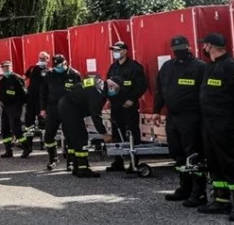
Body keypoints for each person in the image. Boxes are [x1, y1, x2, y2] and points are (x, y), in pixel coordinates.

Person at [197, 33, 234, 222]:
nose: (203, 48)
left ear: (210, 46)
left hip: (226, 124)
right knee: (214, 161)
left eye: (204, 45)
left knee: (230, 161)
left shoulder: (232, 67)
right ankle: (221, 199)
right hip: (210, 124)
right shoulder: (210, 67)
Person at [153, 36, 208, 206]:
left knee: (193, 154)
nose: (179, 52)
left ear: (189, 47)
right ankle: (184, 187)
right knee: (177, 153)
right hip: (172, 117)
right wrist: (156, 110)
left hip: (191, 117)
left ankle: (199, 192)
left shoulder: (200, 67)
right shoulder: (168, 66)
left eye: (182, 48)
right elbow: (160, 89)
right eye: (176, 49)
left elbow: (205, 94)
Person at [105, 41, 148, 171]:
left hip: (129, 106)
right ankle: (118, 161)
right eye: (113, 50)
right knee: (117, 131)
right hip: (116, 106)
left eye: (117, 50)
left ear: (125, 51)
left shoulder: (134, 67)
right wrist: (108, 99)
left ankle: (134, 161)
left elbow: (141, 85)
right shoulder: (113, 67)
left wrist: (132, 99)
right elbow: (108, 84)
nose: (115, 52)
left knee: (131, 132)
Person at [58, 75, 111, 178]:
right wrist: (104, 133)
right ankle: (83, 169)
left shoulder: (97, 83)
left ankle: (77, 166)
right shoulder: (98, 92)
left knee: (73, 137)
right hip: (71, 108)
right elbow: (95, 115)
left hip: (65, 104)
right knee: (81, 137)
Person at [40, 54, 81, 171]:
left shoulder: (74, 74)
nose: (57, 67)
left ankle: (71, 161)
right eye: (55, 65)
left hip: (69, 109)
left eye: (59, 65)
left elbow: (80, 93)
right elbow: (43, 93)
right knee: (48, 136)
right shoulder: (49, 75)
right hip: (53, 108)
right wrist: (42, 108)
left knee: (70, 136)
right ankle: (53, 158)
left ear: (65, 63)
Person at [16, 51, 50, 158]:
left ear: (48, 59)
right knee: (29, 125)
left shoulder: (49, 71)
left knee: (44, 124)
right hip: (31, 100)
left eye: (44, 58)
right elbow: (23, 79)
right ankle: (28, 147)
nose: (42, 60)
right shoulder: (32, 68)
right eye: (40, 58)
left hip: (42, 102)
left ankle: (46, 146)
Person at [0, 60, 27, 158]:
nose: (6, 69)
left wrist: (18, 105)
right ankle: (8, 150)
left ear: (11, 67)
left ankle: (26, 147)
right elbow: (0, 93)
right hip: (5, 107)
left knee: (16, 129)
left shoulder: (17, 78)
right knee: (4, 129)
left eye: (7, 67)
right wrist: (1, 101)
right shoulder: (2, 80)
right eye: (4, 67)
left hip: (15, 107)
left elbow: (24, 95)